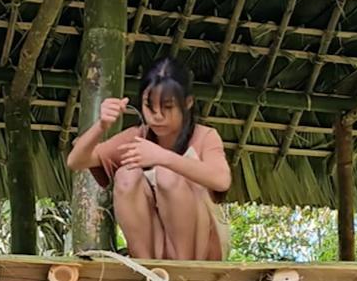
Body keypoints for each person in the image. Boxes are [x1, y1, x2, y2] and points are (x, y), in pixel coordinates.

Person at [66, 57, 233, 261]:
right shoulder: (137, 136)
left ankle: (184, 269)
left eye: (168, 107)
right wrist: (101, 125)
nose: (157, 116)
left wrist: (163, 157)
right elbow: (76, 161)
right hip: (155, 255)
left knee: (167, 174)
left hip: (199, 252)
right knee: (126, 174)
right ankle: (146, 270)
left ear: (188, 103)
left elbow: (222, 180)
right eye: (149, 106)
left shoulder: (205, 136)